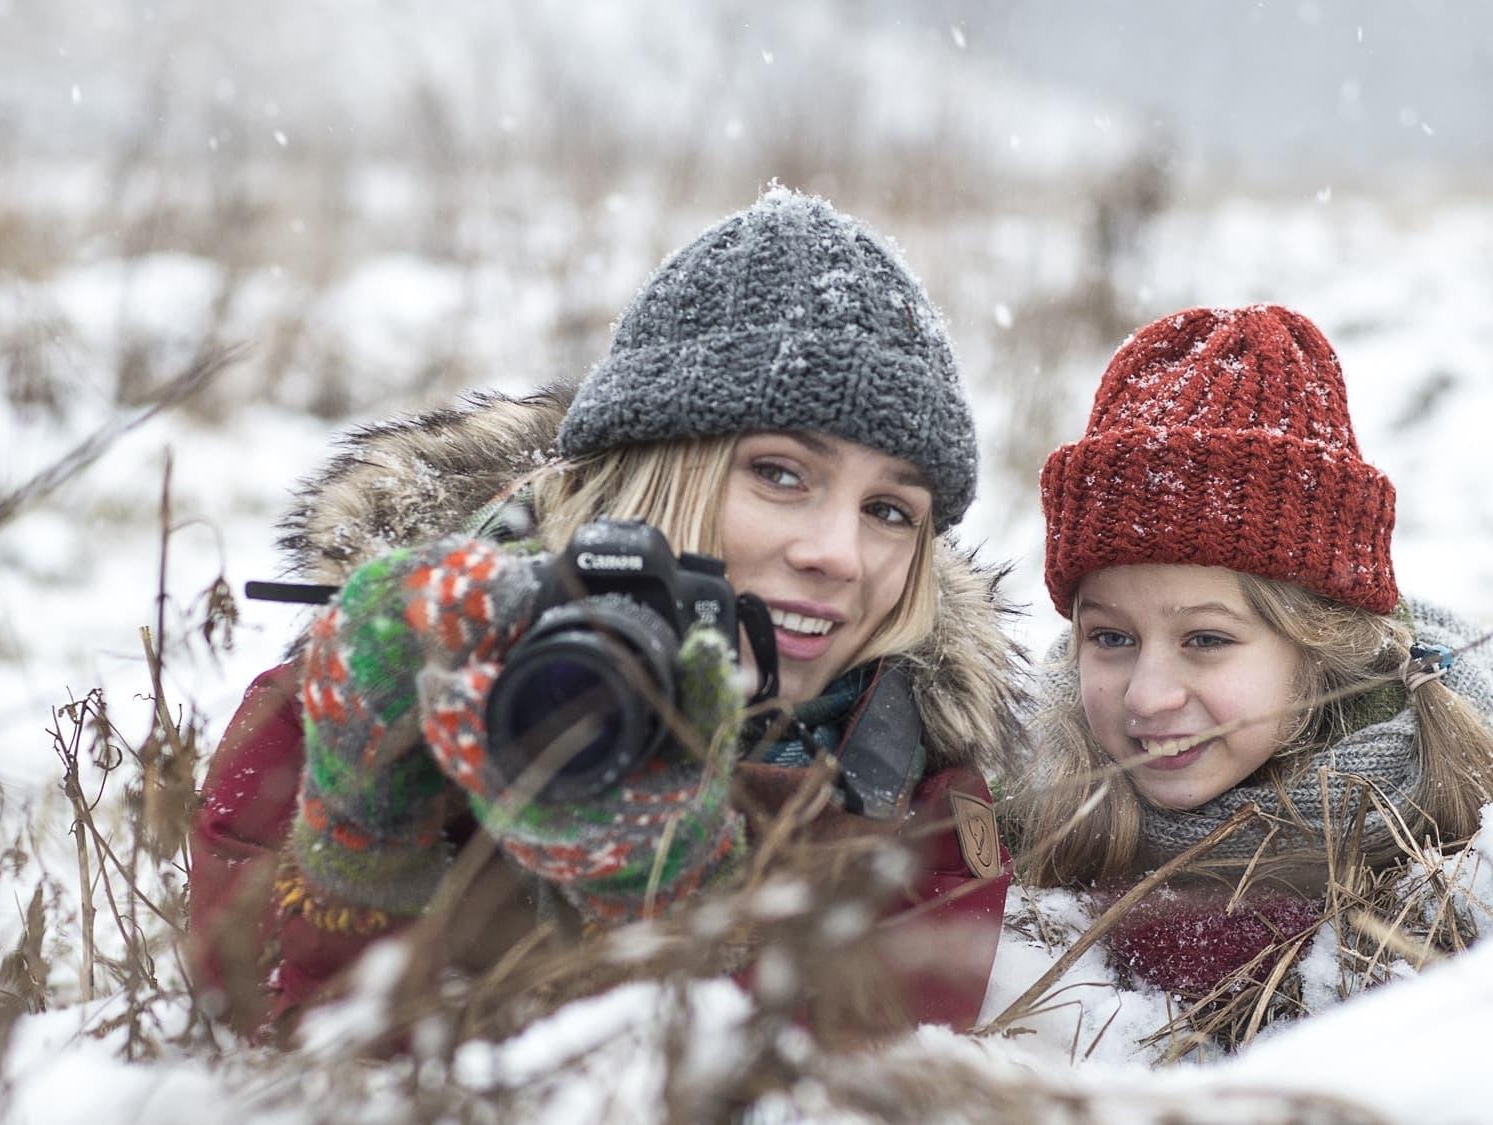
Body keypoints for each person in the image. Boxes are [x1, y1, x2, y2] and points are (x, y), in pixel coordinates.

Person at [186, 188, 1022, 1038]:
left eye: (890, 511)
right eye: (781, 474)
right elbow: (268, 1038)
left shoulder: (916, 780)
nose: (839, 554)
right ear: (654, 472)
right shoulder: (377, 676)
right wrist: (366, 828)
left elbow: (851, 1066)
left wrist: (673, 895)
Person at [1006, 304, 1493, 998]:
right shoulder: (1024, 787)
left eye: (1205, 640)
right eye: (1111, 638)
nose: (1147, 694)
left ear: (1320, 643)